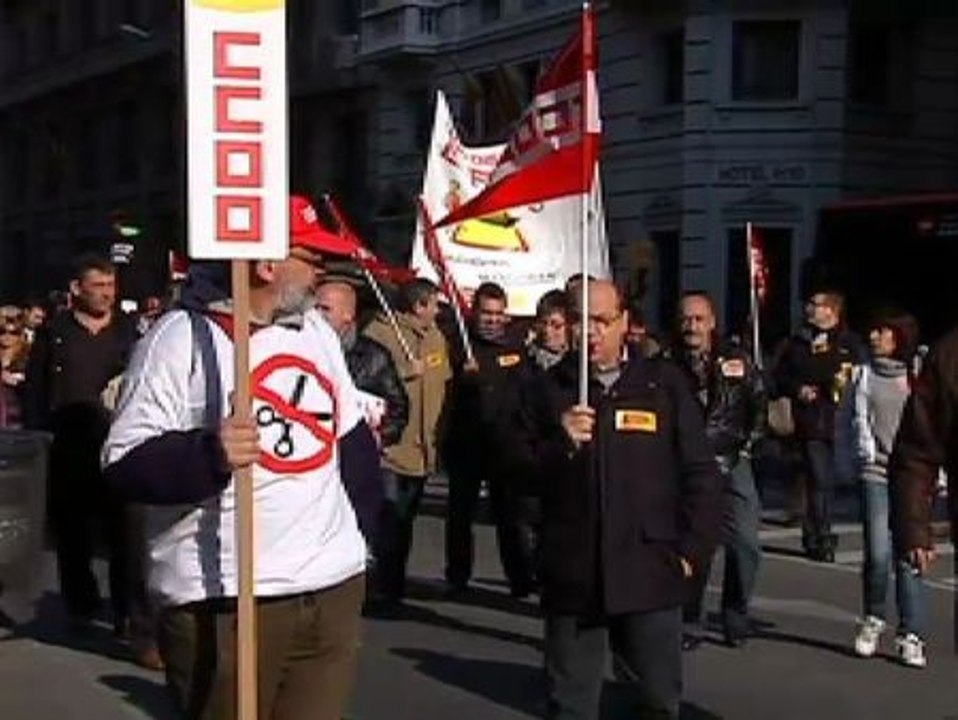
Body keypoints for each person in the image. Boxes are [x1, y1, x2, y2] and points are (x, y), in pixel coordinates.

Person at [101, 195, 383, 720]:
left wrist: (361, 542)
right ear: (267, 264)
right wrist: (208, 452)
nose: (321, 274)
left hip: (330, 588)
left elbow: (350, 441)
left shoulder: (314, 332)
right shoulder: (181, 339)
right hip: (228, 596)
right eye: (311, 259)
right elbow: (124, 463)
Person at [505, 279, 721, 720]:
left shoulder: (661, 385)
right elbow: (514, 473)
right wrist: (557, 442)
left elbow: (700, 473)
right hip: (575, 573)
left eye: (602, 321)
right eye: (580, 321)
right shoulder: (545, 389)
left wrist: (690, 553)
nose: (591, 332)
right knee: (571, 704)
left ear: (625, 322)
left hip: (649, 567)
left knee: (656, 701)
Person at [23, 253, 139, 633]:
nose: (107, 294)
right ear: (77, 289)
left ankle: (126, 610)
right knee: (71, 531)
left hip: (116, 443)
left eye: (111, 286)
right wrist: (37, 433)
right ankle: (81, 604)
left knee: (123, 532)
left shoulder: (130, 331)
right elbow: (36, 388)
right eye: (99, 286)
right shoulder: (54, 332)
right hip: (68, 444)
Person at [669, 293, 766, 650]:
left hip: (732, 459)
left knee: (746, 544)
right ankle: (690, 621)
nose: (692, 326)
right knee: (696, 545)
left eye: (698, 319)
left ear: (712, 322)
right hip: (688, 466)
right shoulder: (667, 365)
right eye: (686, 320)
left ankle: (735, 613)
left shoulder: (736, 360)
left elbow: (758, 402)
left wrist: (748, 445)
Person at [834, 307, 929, 668]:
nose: (874, 337)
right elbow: (846, 423)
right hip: (874, 470)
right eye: (871, 331)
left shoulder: (918, 374)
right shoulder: (863, 376)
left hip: (912, 475)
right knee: (877, 553)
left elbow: (936, 424)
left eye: (882, 331)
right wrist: (846, 466)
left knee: (910, 556)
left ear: (899, 336)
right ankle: (873, 618)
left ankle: (911, 634)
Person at [443, 281, 536, 598]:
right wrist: (462, 376)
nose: (493, 320)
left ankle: (520, 579)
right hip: (466, 441)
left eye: (498, 314)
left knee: (509, 516)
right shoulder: (457, 344)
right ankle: (457, 576)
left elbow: (526, 391)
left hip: (504, 445)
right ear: (475, 312)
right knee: (460, 514)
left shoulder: (516, 347)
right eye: (487, 313)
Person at [364, 278, 451, 605]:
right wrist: (403, 370)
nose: (438, 310)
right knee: (389, 519)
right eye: (435, 304)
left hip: (422, 447)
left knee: (405, 520)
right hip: (391, 447)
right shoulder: (380, 334)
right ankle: (384, 587)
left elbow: (441, 383)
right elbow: (366, 381)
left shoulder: (435, 338)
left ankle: (394, 582)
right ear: (419, 306)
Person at [773, 289, 863, 561]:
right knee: (819, 479)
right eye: (809, 303)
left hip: (842, 419)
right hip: (811, 420)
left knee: (829, 481)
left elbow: (852, 372)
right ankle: (820, 536)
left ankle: (815, 529)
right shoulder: (798, 341)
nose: (809, 308)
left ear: (831, 311)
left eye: (816, 304)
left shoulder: (849, 342)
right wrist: (797, 388)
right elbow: (780, 374)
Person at [316, 280, 408, 448]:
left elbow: (398, 409)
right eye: (314, 308)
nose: (317, 315)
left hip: (353, 455)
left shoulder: (374, 356)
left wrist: (376, 439)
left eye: (325, 309)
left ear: (348, 315)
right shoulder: (300, 346)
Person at [0, 312, 29, 429]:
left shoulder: (28, 357)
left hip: (18, 418)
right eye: (1, 332)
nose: (7, 336)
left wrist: (16, 382)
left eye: (14, 333)